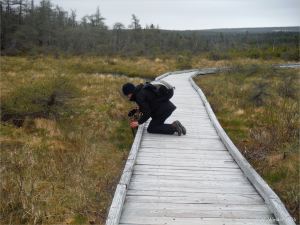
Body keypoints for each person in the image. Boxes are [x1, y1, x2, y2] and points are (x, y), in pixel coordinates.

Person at [122, 82, 186, 136]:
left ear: (129, 93)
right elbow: (149, 104)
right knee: (156, 125)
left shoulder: (139, 96)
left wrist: (138, 122)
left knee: (152, 128)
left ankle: (174, 127)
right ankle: (176, 124)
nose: (128, 97)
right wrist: (138, 110)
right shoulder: (141, 90)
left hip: (163, 110)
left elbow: (147, 112)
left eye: (127, 95)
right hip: (165, 108)